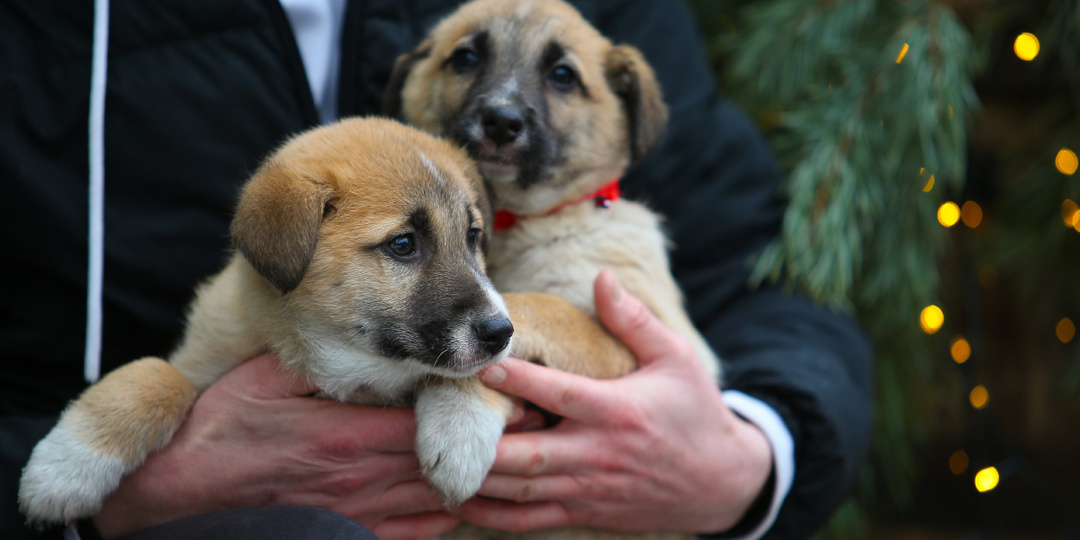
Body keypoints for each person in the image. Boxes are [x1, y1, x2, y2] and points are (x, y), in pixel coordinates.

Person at [0, 0, 874, 538]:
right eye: (466, 62)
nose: (500, 108)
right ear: (410, 82)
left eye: (560, 78)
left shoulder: (604, 206)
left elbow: (765, 272)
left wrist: (748, 457)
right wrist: (115, 504)